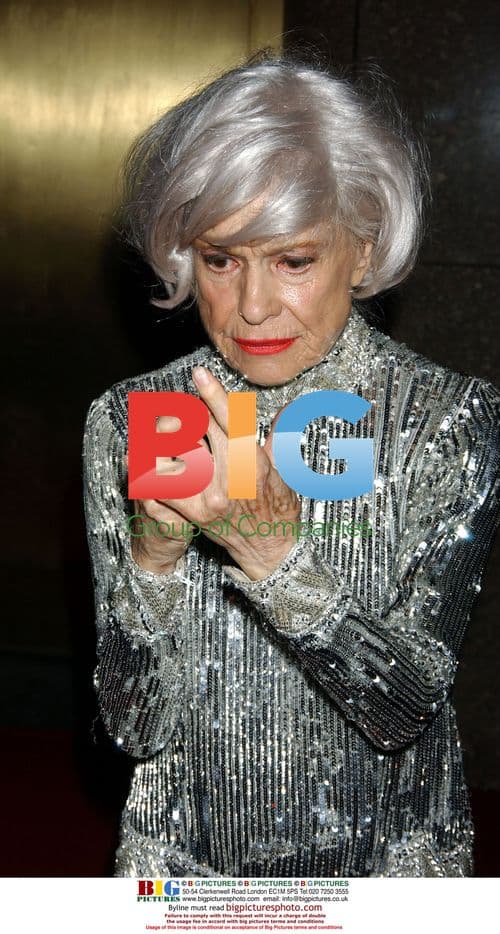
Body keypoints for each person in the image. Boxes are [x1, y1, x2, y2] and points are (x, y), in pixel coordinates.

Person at [82, 54, 499, 878]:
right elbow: (134, 728)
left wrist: (276, 557)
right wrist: (152, 564)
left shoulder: (446, 420)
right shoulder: (134, 420)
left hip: (386, 873)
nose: (253, 307)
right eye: (221, 259)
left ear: (363, 251)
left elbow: (403, 711)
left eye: (294, 260)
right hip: (186, 874)